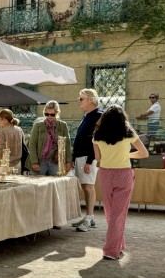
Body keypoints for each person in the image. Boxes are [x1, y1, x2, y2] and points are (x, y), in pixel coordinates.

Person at [92, 105, 149, 260]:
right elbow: (144, 153)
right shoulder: (129, 133)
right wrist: (126, 155)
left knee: (111, 213)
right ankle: (111, 250)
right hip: (123, 174)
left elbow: (98, 160)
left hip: (104, 174)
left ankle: (118, 245)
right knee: (118, 214)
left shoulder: (97, 135)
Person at [71, 88, 104, 232]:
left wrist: (90, 161)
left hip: (88, 158)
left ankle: (89, 218)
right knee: (85, 187)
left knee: (89, 187)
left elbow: (96, 140)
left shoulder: (99, 115)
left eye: (81, 98)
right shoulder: (88, 115)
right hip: (81, 156)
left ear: (90, 99)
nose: (79, 101)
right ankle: (88, 218)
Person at [26, 101, 73, 176]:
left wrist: (68, 161)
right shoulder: (38, 125)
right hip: (40, 160)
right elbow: (32, 144)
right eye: (46, 114)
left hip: (55, 160)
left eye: (52, 114)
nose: (49, 116)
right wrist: (34, 161)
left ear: (57, 113)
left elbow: (67, 144)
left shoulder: (62, 125)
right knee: (38, 184)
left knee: (56, 184)